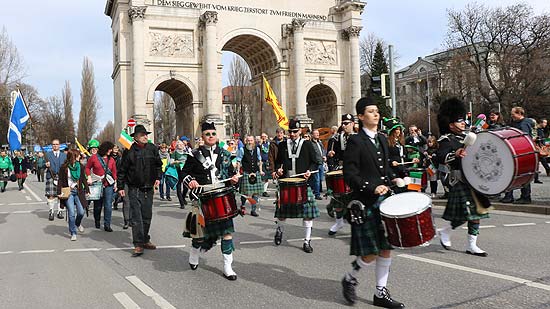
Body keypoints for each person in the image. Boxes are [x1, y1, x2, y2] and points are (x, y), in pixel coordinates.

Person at [341, 96, 404, 308]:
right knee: (369, 254)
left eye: (377, 111)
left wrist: (394, 177)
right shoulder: (355, 141)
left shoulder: (383, 139)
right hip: (366, 202)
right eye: (370, 111)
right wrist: (371, 186)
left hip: (384, 202)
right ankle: (350, 277)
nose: (376, 114)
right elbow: (349, 175)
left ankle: (380, 293)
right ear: (360, 116)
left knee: (386, 248)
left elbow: (384, 169)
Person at [181, 121, 241, 280]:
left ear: (217, 136)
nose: (211, 136)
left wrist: (234, 180)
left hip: (221, 198)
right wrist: (190, 181)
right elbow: (184, 173)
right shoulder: (194, 155)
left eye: (213, 134)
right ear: (203, 137)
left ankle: (228, 267)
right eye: (208, 134)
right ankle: (194, 253)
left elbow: (230, 175)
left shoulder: (225, 154)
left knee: (227, 233)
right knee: (199, 235)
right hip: (202, 198)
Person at [435, 97, 491, 257]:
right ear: (450, 124)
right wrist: (455, 154)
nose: (463, 123)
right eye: (460, 121)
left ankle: (470, 244)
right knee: (468, 214)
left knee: (477, 214)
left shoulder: (470, 136)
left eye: (464, 120)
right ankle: (446, 232)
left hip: (475, 180)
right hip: (460, 180)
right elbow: (440, 156)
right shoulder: (446, 139)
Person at [273, 119, 321, 253]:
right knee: (282, 214)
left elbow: (316, 162)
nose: (293, 134)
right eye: (291, 132)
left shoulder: (307, 144)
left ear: (300, 131)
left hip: (303, 183)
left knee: (308, 214)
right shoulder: (282, 145)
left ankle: (307, 241)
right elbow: (278, 163)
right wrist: (279, 169)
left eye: (295, 131)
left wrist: (309, 171)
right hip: (286, 183)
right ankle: (279, 230)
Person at [118, 124, 162, 257]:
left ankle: (145, 239)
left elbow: (159, 164)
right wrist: (120, 187)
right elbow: (122, 171)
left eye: (146, 135)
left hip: (148, 188)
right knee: (137, 218)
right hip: (134, 189)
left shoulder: (152, 148)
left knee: (147, 216)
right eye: (142, 135)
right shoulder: (129, 151)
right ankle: (138, 244)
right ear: (136, 137)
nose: (145, 137)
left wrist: (158, 177)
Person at [327, 114, 356, 235]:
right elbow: (331, 155)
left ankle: (356, 227)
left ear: (353, 124)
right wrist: (330, 156)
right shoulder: (336, 138)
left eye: (347, 123)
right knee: (338, 199)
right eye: (343, 123)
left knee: (355, 201)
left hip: (355, 171)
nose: (344, 126)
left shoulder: (359, 138)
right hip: (341, 169)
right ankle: (339, 222)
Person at [500, 107, 533, 204]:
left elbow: (524, 138)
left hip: (521, 151)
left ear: (519, 113)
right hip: (517, 151)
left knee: (522, 173)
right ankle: (511, 196)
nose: (511, 115)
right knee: (515, 174)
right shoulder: (517, 123)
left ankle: (525, 197)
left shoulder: (524, 124)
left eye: (513, 114)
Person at [57, 149, 89, 241]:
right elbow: (60, 180)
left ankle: (77, 224)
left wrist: (87, 189)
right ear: (73, 157)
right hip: (69, 192)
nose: (80, 157)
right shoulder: (64, 168)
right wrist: (59, 192)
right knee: (71, 213)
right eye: (78, 155)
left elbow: (83, 178)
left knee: (81, 212)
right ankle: (73, 232)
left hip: (78, 191)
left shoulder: (80, 166)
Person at [86, 141, 117, 232]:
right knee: (98, 204)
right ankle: (97, 220)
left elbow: (114, 171)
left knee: (108, 204)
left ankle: (107, 224)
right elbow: (87, 168)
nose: (111, 151)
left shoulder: (111, 160)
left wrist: (115, 182)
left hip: (108, 185)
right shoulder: (94, 158)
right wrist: (89, 177)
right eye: (109, 149)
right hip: (97, 183)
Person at [236, 135, 264, 217]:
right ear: (246, 141)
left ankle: (253, 210)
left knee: (255, 193)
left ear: (254, 141)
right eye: (248, 140)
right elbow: (238, 161)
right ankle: (243, 206)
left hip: (256, 173)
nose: (249, 142)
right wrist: (238, 172)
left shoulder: (257, 149)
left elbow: (259, 160)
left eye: (251, 140)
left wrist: (261, 170)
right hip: (246, 173)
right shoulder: (242, 149)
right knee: (245, 193)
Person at [45, 139, 67, 221]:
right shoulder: (47, 155)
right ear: (52, 146)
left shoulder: (64, 155)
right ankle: (51, 211)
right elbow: (41, 166)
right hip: (51, 176)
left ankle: (60, 211)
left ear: (59, 145)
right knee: (51, 195)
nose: (55, 146)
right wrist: (46, 165)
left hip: (61, 177)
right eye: (53, 144)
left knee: (60, 195)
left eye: (57, 144)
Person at [171, 139, 189, 208]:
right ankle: (182, 203)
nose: (180, 146)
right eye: (178, 145)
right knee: (178, 187)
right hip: (177, 170)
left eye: (181, 145)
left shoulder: (186, 152)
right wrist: (176, 162)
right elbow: (171, 162)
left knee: (186, 187)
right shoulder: (175, 153)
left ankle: (183, 197)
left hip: (185, 171)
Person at [310, 129, 326, 200]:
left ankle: (317, 191)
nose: (317, 134)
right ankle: (317, 194)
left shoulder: (320, 142)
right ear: (312, 135)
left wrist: (324, 156)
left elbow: (323, 151)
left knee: (320, 179)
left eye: (318, 133)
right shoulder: (310, 143)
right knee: (316, 179)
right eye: (316, 133)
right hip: (315, 164)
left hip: (321, 163)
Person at [258, 133, 271, 197]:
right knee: (261, 177)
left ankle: (264, 191)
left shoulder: (269, 144)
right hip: (261, 162)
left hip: (267, 162)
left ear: (267, 137)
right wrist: (259, 144)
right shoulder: (259, 145)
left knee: (266, 178)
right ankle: (260, 190)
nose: (263, 138)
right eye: (262, 137)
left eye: (265, 136)